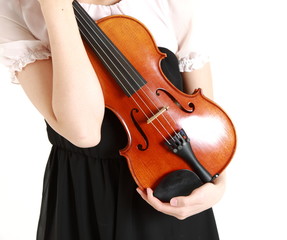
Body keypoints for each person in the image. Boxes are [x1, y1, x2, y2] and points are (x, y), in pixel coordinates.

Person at [0, 0, 227, 239]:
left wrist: (218, 185)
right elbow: (84, 132)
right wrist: (56, 7)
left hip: (173, 186)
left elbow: (204, 120)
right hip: (84, 197)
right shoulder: (17, 9)